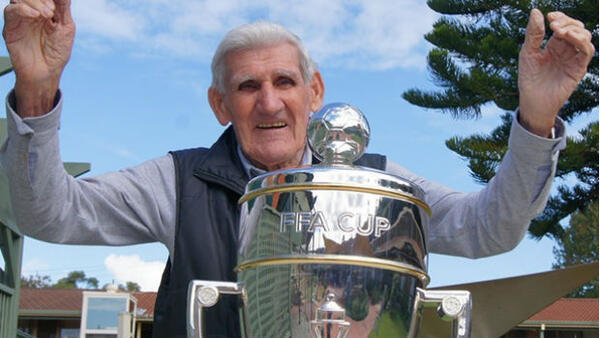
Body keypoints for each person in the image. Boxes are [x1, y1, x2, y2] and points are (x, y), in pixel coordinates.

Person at [1, 0, 594, 337]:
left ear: (314, 91)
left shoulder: (381, 184)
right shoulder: (176, 183)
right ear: (219, 104)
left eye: (285, 81)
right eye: (246, 86)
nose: (268, 102)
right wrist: (37, 87)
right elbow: (50, 214)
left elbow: (490, 227)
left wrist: (536, 118)